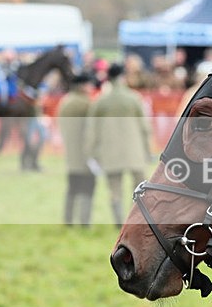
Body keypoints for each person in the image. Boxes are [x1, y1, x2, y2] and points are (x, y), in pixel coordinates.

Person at [85, 63, 152, 227]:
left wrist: (91, 153)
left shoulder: (101, 101)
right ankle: (134, 220)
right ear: (122, 76)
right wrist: (148, 150)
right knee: (140, 188)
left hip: (110, 152)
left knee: (114, 191)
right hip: (134, 151)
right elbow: (145, 127)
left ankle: (118, 223)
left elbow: (92, 129)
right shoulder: (133, 98)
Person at [58, 73, 96, 227]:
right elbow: (92, 130)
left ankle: (68, 221)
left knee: (72, 188)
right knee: (87, 188)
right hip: (85, 155)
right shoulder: (86, 103)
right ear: (83, 86)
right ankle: (84, 223)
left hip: (70, 154)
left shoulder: (65, 101)